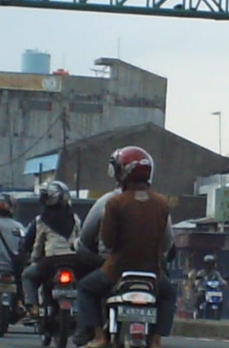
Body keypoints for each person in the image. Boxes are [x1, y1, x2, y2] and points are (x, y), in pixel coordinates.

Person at [77, 146, 176, 348]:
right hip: (152, 273)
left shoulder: (114, 202)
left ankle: (99, 337)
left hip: (116, 270)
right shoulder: (162, 203)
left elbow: (107, 241)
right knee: (169, 294)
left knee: (86, 289)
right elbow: (167, 243)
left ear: (121, 173)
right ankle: (156, 339)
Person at [21, 180, 80, 321]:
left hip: (51, 261)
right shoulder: (74, 218)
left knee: (27, 276)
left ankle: (34, 307)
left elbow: (38, 244)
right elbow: (80, 239)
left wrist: (34, 259)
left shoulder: (42, 219)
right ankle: (79, 310)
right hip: (73, 260)